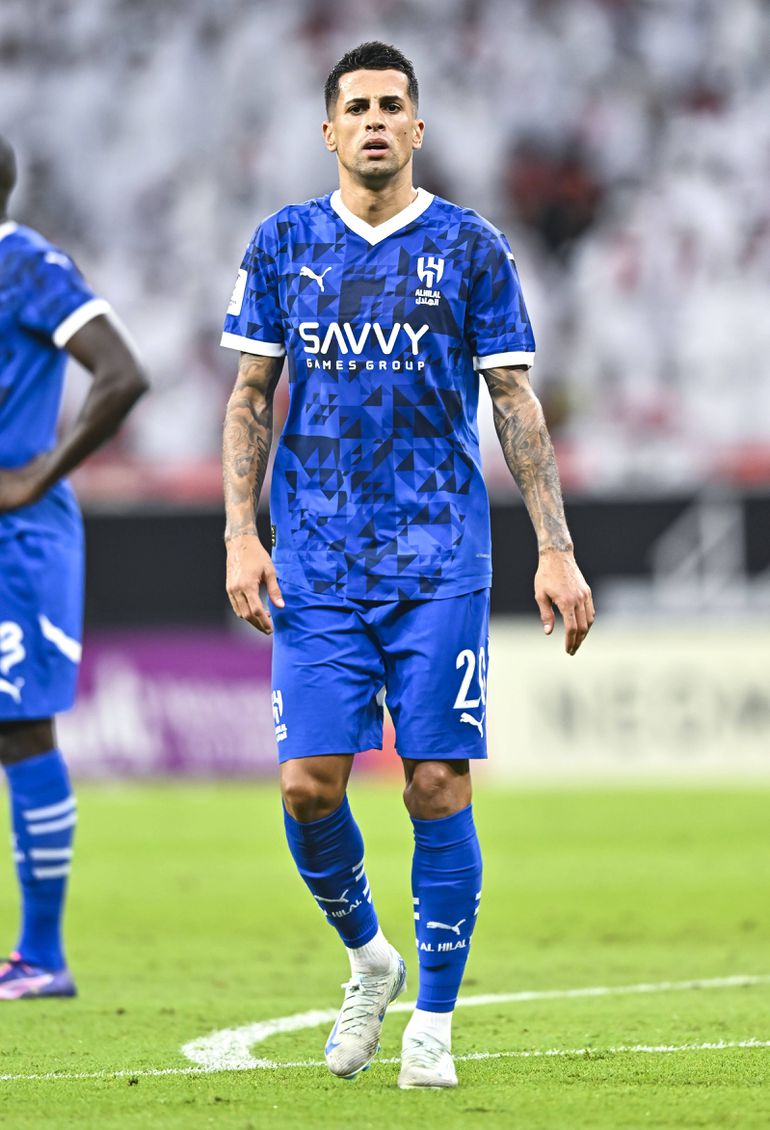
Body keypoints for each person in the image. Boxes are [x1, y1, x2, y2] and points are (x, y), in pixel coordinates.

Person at [221, 41, 594, 1089]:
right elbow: (250, 395)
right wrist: (241, 532)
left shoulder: (470, 248)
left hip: (439, 557)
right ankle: (368, 959)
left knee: (434, 781)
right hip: (317, 558)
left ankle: (432, 1022)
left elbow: (513, 400)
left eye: (392, 105)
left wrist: (556, 547)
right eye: (357, 107)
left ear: (417, 128)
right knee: (307, 787)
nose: (375, 120)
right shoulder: (282, 243)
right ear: (329, 130)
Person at [0, 135, 148, 999]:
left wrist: (39, 474)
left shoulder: (26, 264)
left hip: (16, 537)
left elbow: (122, 373)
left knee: (19, 728)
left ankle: (42, 954)